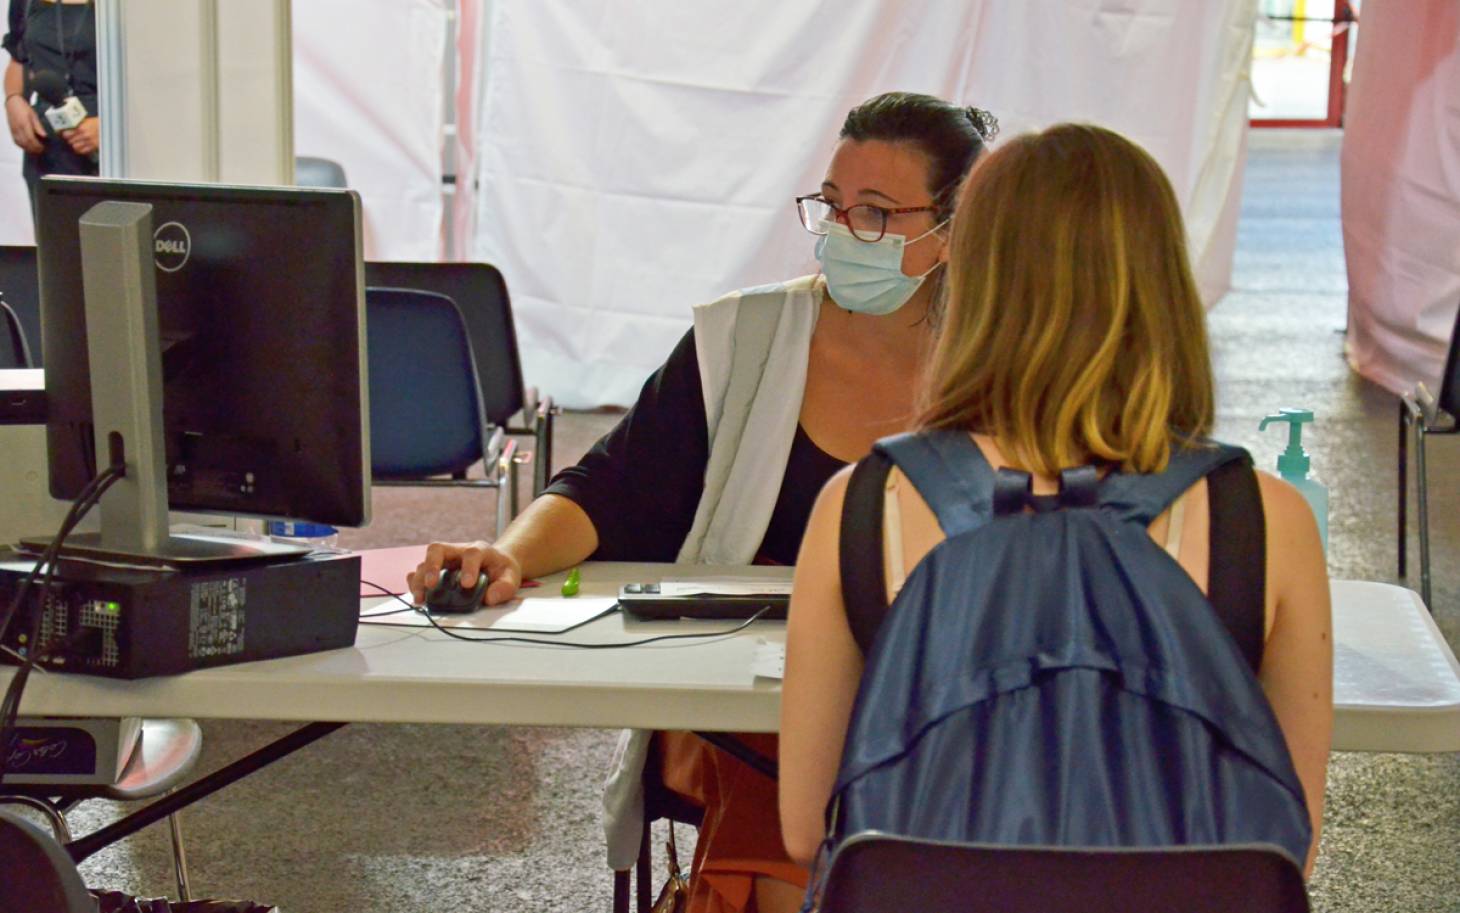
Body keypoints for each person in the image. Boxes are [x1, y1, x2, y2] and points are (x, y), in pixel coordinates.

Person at [409, 92, 997, 912]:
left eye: (875, 212)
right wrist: (509, 555)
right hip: (750, 697)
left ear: (952, 227)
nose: (840, 231)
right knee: (804, 783)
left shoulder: (1001, 357)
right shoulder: (745, 338)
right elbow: (609, 488)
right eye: (830, 205)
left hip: (941, 683)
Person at [779, 123, 1333, 878]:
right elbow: (1285, 844)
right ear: (1162, 286)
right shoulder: (1263, 518)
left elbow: (806, 827)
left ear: (970, 284)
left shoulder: (864, 504)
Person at [3, 0, 100, 221]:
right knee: (54, 248)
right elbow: (19, 59)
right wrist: (14, 100)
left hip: (106, 154)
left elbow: (155, 85)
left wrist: (111, 129)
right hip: (47, 150)